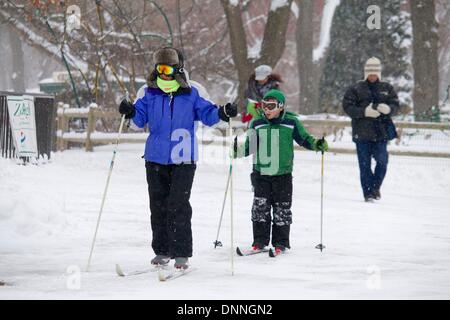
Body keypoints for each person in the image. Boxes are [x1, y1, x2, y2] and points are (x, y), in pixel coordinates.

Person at [118, 47, 237, 269]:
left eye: (167, 68)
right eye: (159, 68)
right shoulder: (148, 91)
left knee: (178, 204)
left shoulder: (192, 91)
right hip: (155, 158)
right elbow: (138, 120)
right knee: (158, 205)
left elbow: (208, 114)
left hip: (183, 157)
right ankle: (162, 250)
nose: (163, 73)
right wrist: (130, 112)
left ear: (177, 68)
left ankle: (181, 252)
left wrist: (222, 113)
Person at [233, 89, 328, 254]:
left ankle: (281, 242)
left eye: (271, 106)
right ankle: (260, 241)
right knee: (260, 208)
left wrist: (317, 144)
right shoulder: (257, 123)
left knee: (281, 209)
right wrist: (238, 151)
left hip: (283, 174)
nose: (267, 109)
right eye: (264, 105)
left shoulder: (291, 123)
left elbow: (304, 139)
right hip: (261, 173)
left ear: (281, 106)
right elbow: (250, 145)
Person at [343, 57, 399, 202]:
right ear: (365, 73)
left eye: (375, 73)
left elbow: (396, 105)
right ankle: (368, 194)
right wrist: (364, 112)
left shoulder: (387, 88)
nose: (372, 76)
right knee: (364, 165)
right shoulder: (355, 89)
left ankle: (375, 187)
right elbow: (347, 107)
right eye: (370, 73)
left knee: (382, 162)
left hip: (381, 133)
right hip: (361, 134)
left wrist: (389, 109)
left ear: (379, 73)